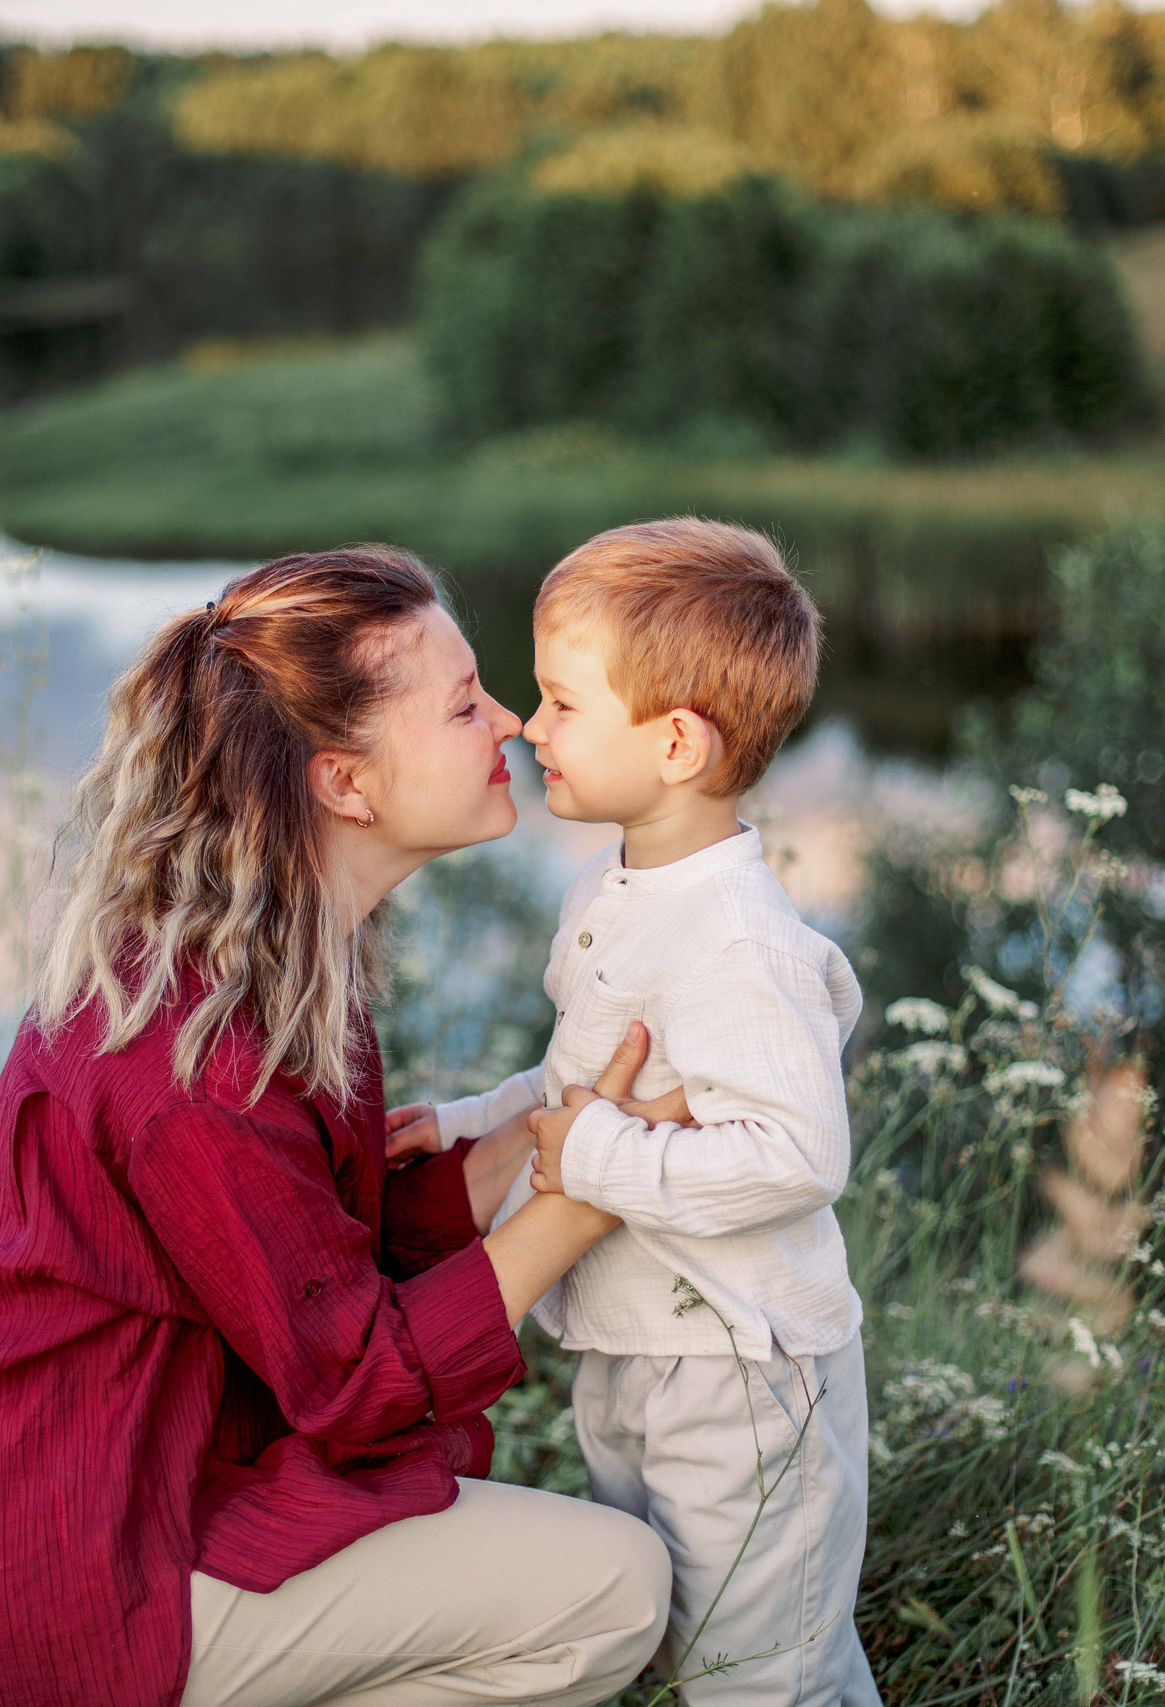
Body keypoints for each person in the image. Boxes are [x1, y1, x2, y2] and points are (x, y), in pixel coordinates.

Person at [0, 545, 680, 1707]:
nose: (509, 721)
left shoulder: (257, 957)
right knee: (614, 1591)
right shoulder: (200, 1058)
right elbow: (356, 1380)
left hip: (118, 1483)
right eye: (464, 706)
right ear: (344, 783)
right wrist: (588, 1192)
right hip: (78, 1572)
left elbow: (295, 1248)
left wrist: (530, 1136)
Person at [390, 519, 880, 1706]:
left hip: (742, 1371)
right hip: (636, 1348)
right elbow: (584, 1077)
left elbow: (798, 1155)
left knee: (764, 1672)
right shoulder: (614, 889)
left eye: (563, 704)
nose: (528, 725)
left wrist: (597, 1158)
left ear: (674, 742)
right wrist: (472, 1120)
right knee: (687, 1641)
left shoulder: (741, 943)